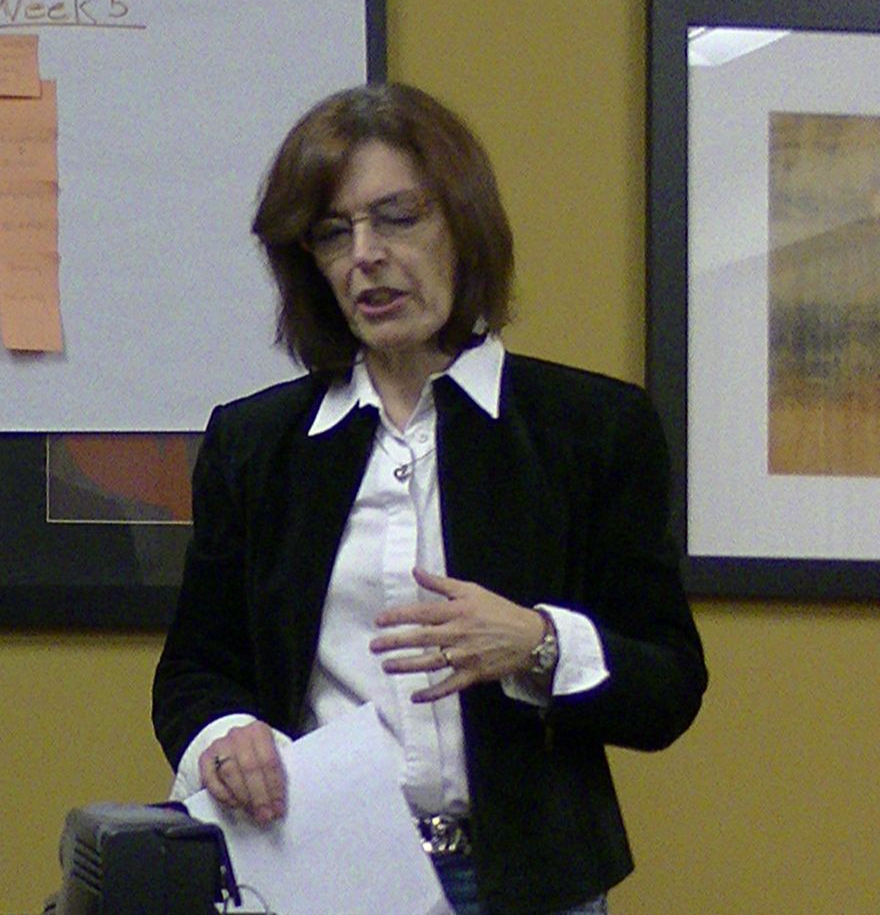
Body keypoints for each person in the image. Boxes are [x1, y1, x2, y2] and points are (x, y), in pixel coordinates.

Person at [151, 83, 707, 915]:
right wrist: (223, 737)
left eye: (398, 218)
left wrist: (538, 644)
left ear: (463, 223)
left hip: (529, 885)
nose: (365, 256)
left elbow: (668, 686)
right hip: (322, 870)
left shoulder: (593, 427)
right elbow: (195, 671)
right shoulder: (257, 444)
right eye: (332, 233)